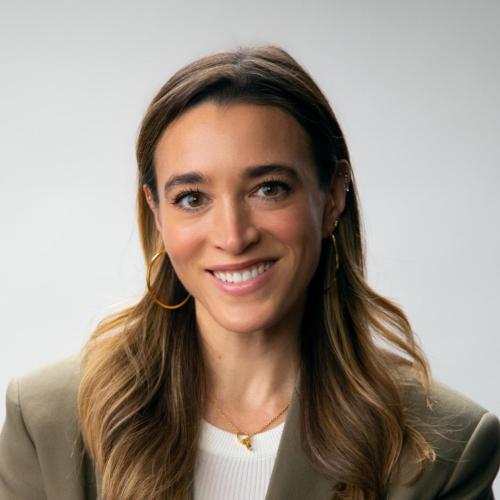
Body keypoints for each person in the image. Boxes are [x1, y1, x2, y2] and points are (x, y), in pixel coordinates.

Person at [0, 45, 499, 500]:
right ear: (157, 214)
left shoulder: (444, 449)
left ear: (332, 196)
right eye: (192, 198)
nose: (233, 236)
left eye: (269, 189)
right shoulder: (46, 424)